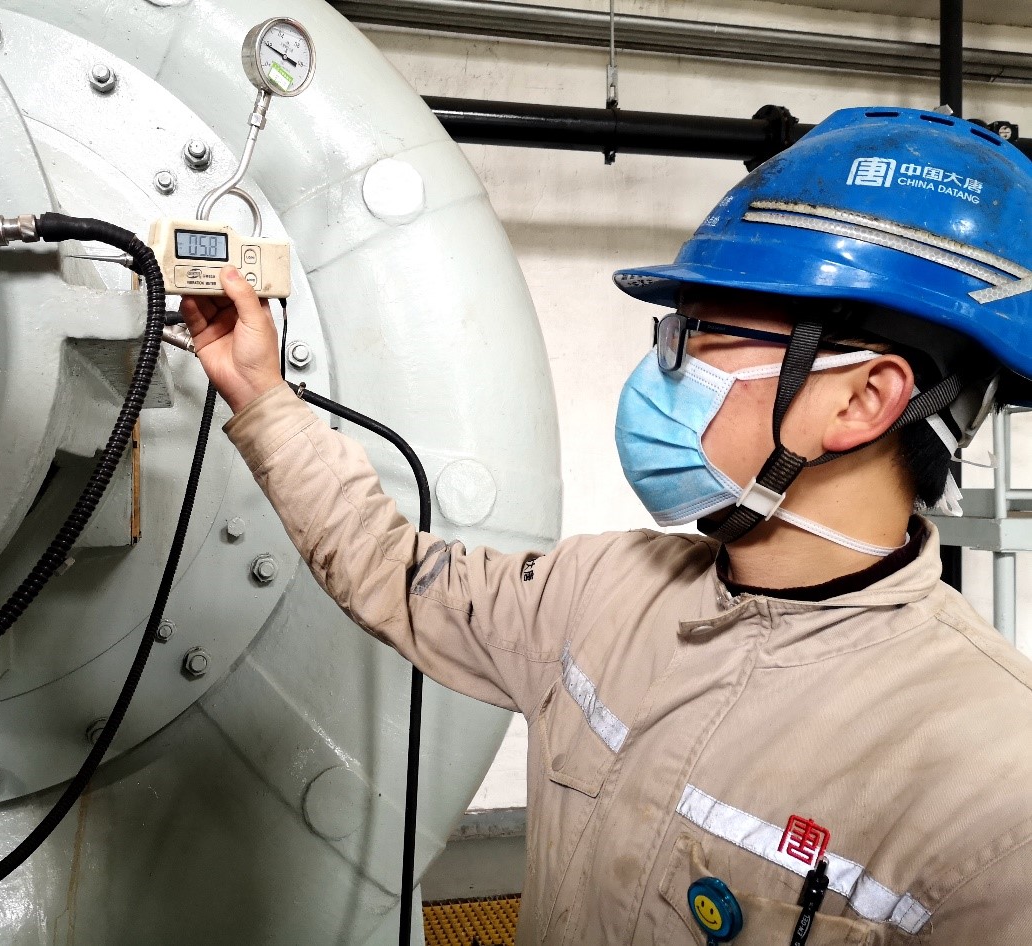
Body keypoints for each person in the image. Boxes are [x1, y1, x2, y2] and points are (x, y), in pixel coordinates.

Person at [182, 106, 1032, 944]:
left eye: (699, 336)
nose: (658, 371)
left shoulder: (996, 792)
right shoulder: (600, 590)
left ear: (862, 399)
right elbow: (394, 572)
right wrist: (262, 395)